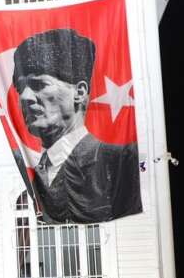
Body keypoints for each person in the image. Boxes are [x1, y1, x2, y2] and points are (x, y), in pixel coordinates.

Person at [13, 28, 142, 224]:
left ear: (79, 92)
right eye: (20, 88)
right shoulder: (28, 168)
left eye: (39, 85)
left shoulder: (121, 161)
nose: (25, 97)